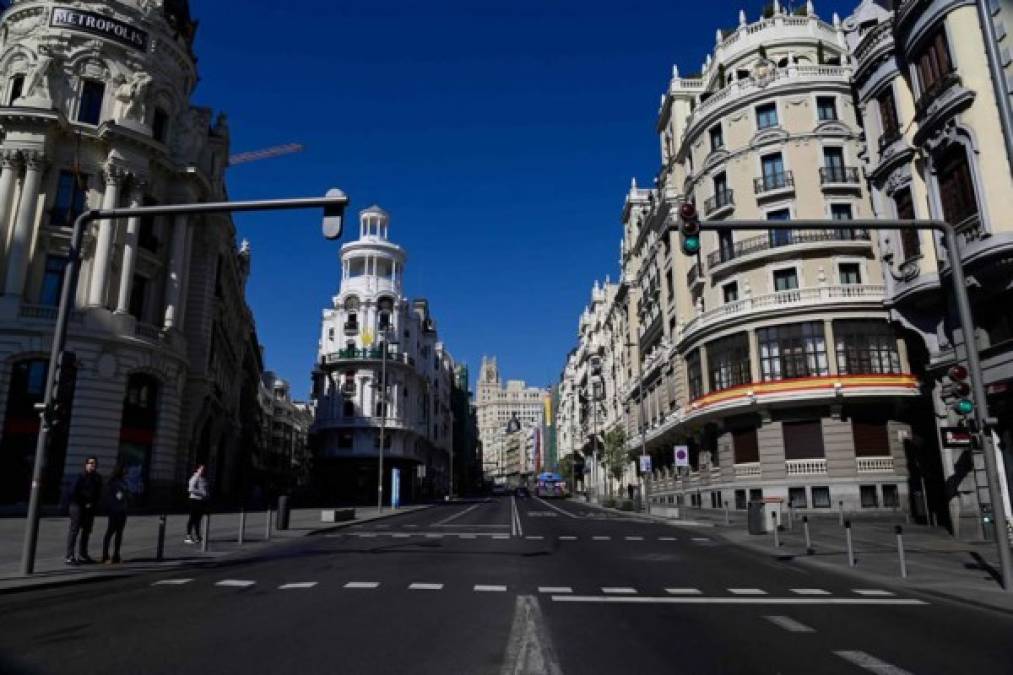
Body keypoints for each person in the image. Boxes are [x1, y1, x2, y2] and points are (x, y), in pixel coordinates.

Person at [66, 456, 102, 565]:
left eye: (94, 463)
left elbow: (98, 493)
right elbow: (72, 492)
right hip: (77, 506)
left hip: (89, 508)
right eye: (90, 463)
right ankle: (69, 556)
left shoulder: (97, 478)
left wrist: (93, 504)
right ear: (86, 465)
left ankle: (83, 554)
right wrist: (84, 501)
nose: (92, 465)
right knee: (74, 530)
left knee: (86, 531)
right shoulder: (80, 477)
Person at [101, 464, 129, 564]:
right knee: (110, 532)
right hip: (114, 511)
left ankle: (116, 555)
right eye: (125, 471)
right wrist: (126, 494)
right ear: (120, 471)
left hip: (122, 511)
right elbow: (119, 496)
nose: (126, 473)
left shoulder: (123, 482)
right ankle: (105, 555)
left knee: (119, 533)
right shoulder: (114, 482)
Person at [185, 464, 208, 544]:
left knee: (198, 520)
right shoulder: (194, 478)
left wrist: (206, 495)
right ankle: (188, 536)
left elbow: (205, 489)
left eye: (203, 469)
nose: (202, 471)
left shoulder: (203, 478)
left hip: (201, 501)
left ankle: (198, 536)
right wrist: (202, 493)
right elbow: (190, 489)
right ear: (197, 470)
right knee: (192, 518)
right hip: (194, 500)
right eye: (201, 469)